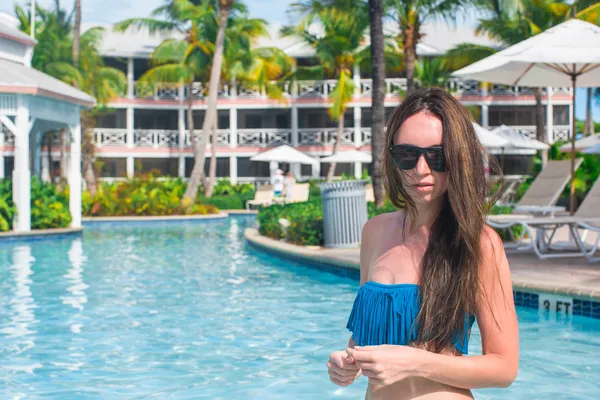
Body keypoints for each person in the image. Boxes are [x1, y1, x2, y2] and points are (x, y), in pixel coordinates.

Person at [326, 88, 519, 400]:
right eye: (406, 155)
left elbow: (504, 367)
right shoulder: (374, 232)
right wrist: (347, 365)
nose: (420, 169)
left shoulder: (478, 243)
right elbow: (367, 341)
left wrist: (416, 363)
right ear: (391, 156)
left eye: (437, 156)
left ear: (459, 158)